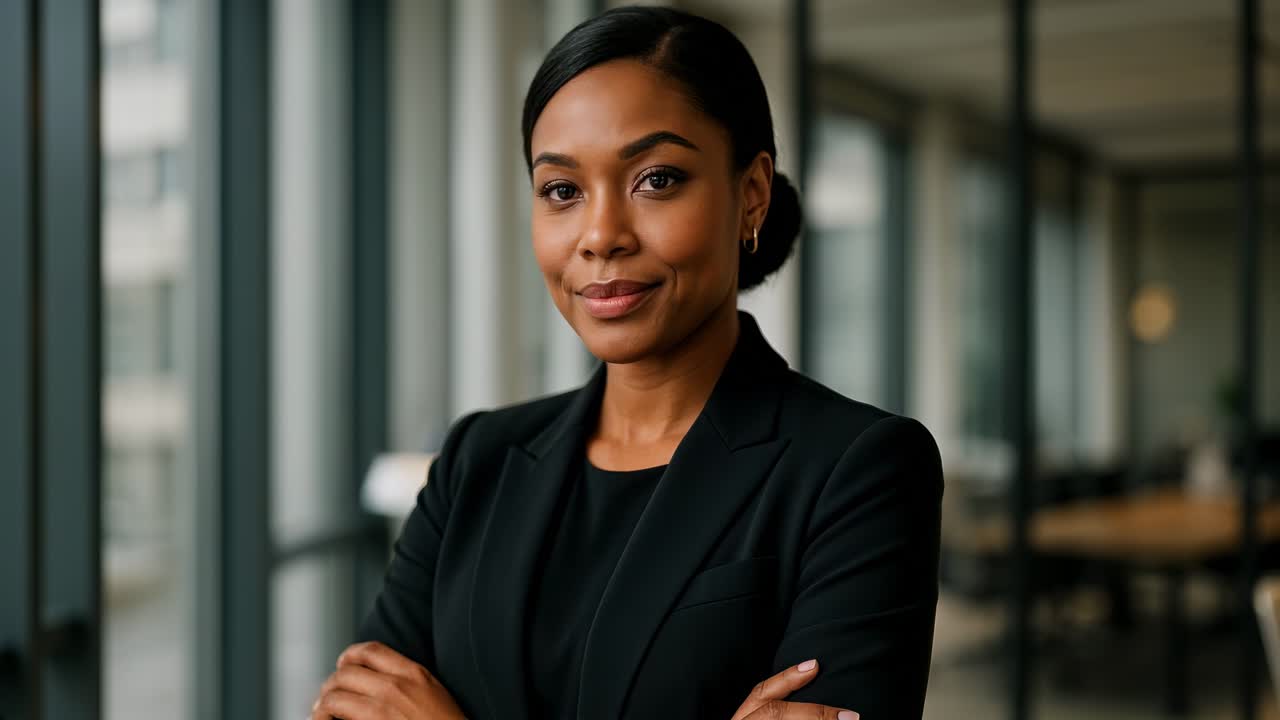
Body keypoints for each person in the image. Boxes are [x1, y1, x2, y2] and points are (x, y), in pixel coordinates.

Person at [311, 6, 942, 719]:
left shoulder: (858, 469)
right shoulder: (476, 461)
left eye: (656, 179)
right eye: (562, 191)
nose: (601, 235)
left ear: (752, 194)